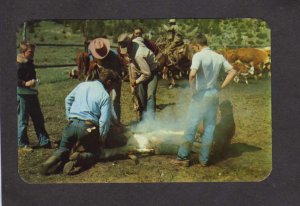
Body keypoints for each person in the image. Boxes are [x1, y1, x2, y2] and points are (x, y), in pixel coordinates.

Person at [40, 68, 120, 175]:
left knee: (63, 148)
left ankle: (49, 162)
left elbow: (67, 99)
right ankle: (80, 157)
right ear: (108, 82)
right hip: (87, 128)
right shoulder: (104, 95)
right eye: (112, 86)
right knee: (95, 153)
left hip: (71, 125)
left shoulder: (82, 85)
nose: (112, 89)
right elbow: (104, 122)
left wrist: (69, 117)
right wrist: (101, 139)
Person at [171, 33, 236, 167]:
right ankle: (204, 160)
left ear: (197, 45)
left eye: (194, 48)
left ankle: (183, 157)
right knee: (209, 128)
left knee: (191, 126)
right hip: (213, 94)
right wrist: (220, 87)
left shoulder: (198, 56)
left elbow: (192, 74)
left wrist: (192, 90)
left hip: (201, 95)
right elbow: (233, 72)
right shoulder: (218, 56)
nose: (193, 50)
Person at [17, 41, 51, 151]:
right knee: (23, 120)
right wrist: (25, 83)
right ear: (23, 51)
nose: (33, 54)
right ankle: (23, 144)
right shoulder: (17, 64)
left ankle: (44, 141)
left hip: (32, 93)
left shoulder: (30, 62)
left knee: (38, 118)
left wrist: (34, 85)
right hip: (22, 95)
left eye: (33, 51)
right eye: (30, 52)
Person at [117, 33, 159, 121]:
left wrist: (135, 82)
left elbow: (147, 74)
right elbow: (141, 38)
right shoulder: (136, 41)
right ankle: (142, 120)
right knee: (141, 96)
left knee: (150, 96)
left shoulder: (138, 55)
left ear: (130, 45)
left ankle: (150, 122)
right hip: (141, 72)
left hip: (152, 71)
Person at [88, 37, 123, 124]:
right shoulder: (92, 54)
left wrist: (109, 83)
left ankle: (116, 122)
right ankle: (103, 121)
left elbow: (116, 74)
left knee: (115, 99)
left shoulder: (113, 56)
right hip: (101, 80)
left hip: (114, 79)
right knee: (102, 100)